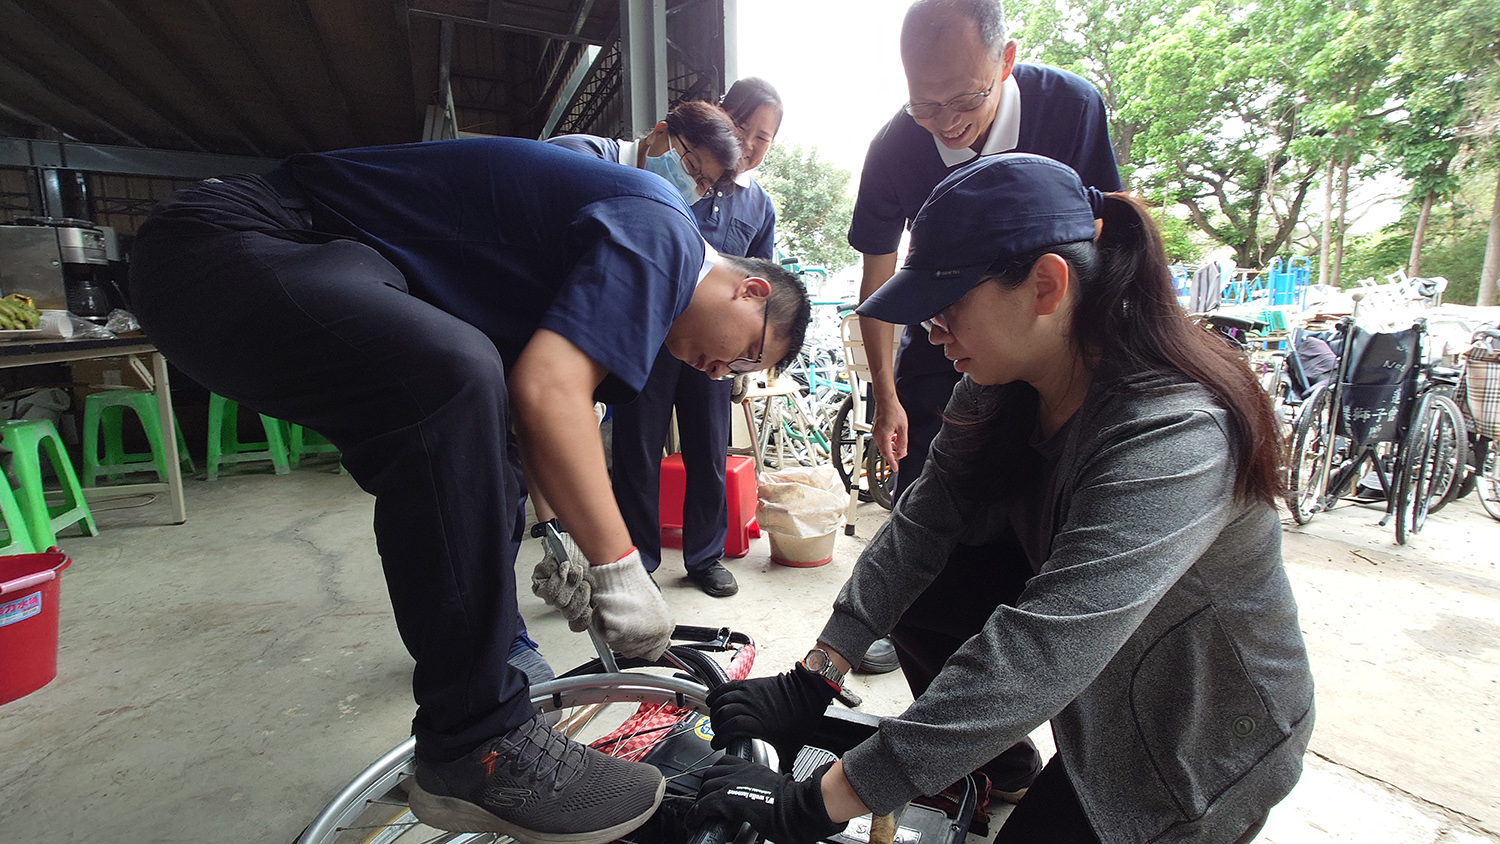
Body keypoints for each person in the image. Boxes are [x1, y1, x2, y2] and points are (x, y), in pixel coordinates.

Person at [125, 136, 810, 844]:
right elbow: (548, 393)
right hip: (237, 241)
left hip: (311, 260)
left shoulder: (624, 265)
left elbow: (530, 415)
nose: (722, 371)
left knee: (470, 415)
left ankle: (479, 728)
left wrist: (563, 539)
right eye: (750, 353)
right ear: (751, 290)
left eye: (740, 374)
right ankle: (476, 742)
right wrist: (620, 569)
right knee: (452, 376)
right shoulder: (664, 229)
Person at [688, 153, 1314, 844]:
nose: (932, 331)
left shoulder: (1176, 436)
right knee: (936, 568)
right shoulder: (998, 383)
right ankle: (1003, 764)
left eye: (947, 306)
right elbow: (920, 526)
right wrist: (817, 674)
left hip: (1194, 734)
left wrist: (817, 802)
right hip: (1103, 680)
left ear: (1046, 285)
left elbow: (1042, 649)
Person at [849, 0, 1122, 692]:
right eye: (923, 105)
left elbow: (1106, 237)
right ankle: (974, 733)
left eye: (962, 99)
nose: (944, 120)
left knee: (1041, 542)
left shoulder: (1071, 107)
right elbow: (878, 271)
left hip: (1055, 353)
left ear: (1007, 59)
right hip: (964, 353)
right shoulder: (894, 147)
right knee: (928, 534)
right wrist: (886, 395)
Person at [549, 91, 778, 597]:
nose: (751, 143)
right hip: (647, 335)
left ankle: (705, 555)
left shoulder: (757, 205)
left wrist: (740, 365)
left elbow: (765, 278)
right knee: (637, 448)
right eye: (743, 127)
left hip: (713, 350)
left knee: (708, 449)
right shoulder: (634, 176)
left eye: (765, 137)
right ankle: (639, 559)